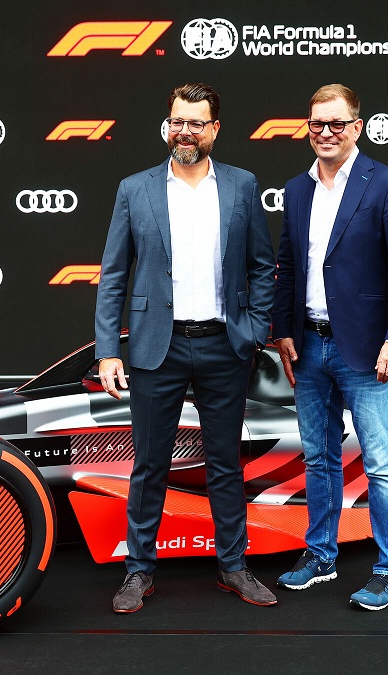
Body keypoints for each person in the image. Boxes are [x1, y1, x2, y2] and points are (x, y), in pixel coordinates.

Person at [94, 83, 278, 613]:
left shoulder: (242, 186)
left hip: (225, 346)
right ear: (167, 124)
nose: (186, 131)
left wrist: (255, 329)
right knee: (150, 464)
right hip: (158, 348)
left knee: (224, 463)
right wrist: (110, 349)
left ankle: (234, 567)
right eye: (178, 121)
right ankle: (138, 571)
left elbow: (262, 266)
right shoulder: (136, 189)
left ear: (215, 129)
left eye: (197, 123)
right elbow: (112, 276)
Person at [270, 84, 388, 610]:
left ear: (357, 127)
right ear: (307, 127)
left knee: (381, 463)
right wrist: (283, 331)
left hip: (367, 351)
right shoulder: (296, 189)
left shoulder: (386, 184)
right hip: (309, 346)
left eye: (337, 124)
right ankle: (321, 556)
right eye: (317, 124)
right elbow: (288, 266)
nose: (327, 133)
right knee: (319, 459)